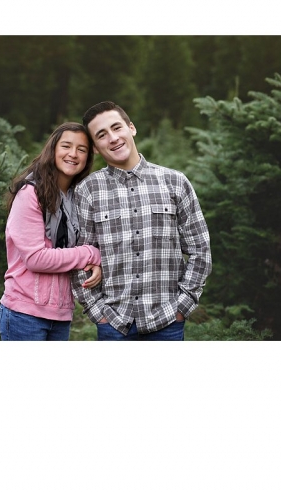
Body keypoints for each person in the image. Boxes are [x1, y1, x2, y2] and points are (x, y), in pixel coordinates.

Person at [70, 101, 212, 340]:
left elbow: (200, 249)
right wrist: (98, 312)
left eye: (117, 128)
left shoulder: (175, 182)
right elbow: (79, 256)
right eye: (102, 135)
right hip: (114, 324)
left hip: (167, 321)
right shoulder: (88, 191)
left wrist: (182, 306)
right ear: (95, 148)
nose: (113, 138)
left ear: (131, 128)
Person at [0, 122, 102, 341]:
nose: (73, 154)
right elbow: (36, 258)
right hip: (24, 314)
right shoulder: (30, 193)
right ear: (53, 149)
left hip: (61, 314)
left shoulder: (78, 197)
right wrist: (91, 254)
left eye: (81, 149)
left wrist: (96, 263)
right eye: (66, 146)